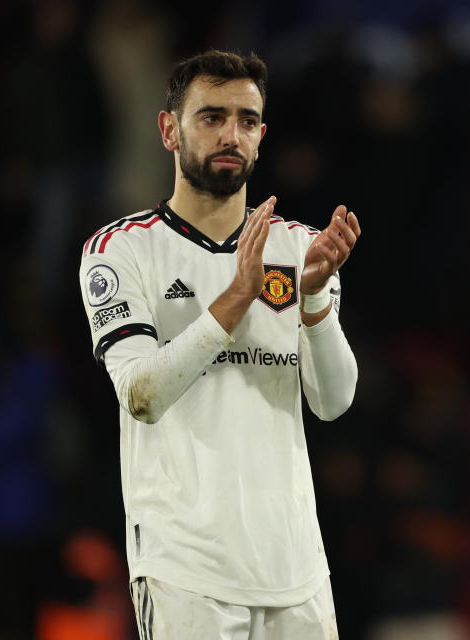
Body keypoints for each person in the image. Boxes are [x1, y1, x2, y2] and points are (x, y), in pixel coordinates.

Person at [78, 49, 361, 639]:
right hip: (188, 570)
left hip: (296, 568)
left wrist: (312, 303)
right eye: (211, 117)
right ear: (168, 129)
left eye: (247, 120)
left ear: (262, 136)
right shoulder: (122, 250)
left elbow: (333, 402)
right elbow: (142, 394)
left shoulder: (303, 249)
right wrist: (236, 297)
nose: (231, 134)